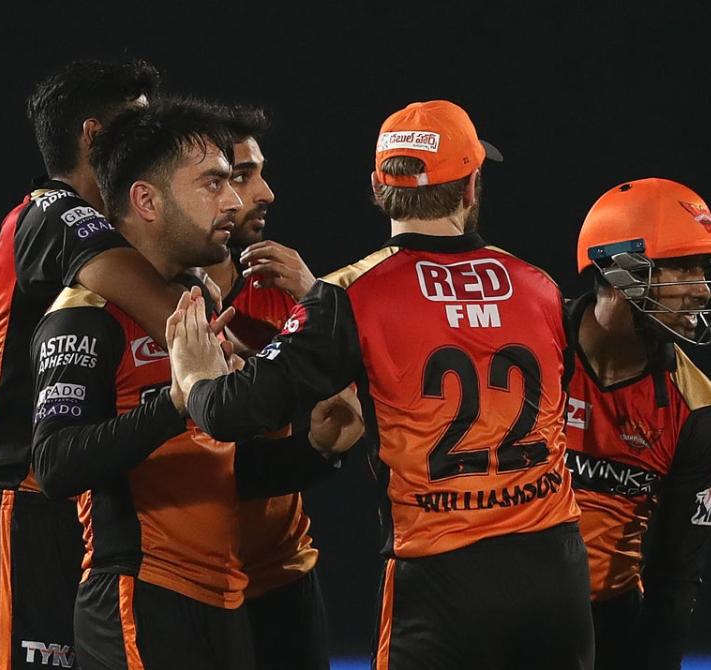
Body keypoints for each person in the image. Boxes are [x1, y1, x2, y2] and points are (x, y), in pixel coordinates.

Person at [169, 99, 595, 669]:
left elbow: (232, 412)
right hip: (555, 571)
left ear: (378, 187)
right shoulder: (538, 286)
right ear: (471, 187)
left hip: (443, 579)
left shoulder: (351, 295)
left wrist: (194, 370)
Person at [31, 97, 362, 669]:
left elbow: (224, 470)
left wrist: (318, 452)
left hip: (225, 602)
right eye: (213, 183)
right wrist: (177, 402)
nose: (234, 201)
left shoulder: (199, 302)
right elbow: (55, 463)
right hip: (141, 600)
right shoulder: (86, 313)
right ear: (146, 200)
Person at [0, 58, 203, 670]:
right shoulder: (53, 212)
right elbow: (169, 314)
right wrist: (267, 362)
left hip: (93, 506)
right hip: (27, 505)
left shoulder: (98, 225)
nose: (149, 134)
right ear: (91, 134)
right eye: (136, 120)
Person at [564, 177, 711, 669]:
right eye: (684, 266)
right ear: (623, 270)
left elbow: (674, 577)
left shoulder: (701, 412)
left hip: (609, 631)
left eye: (704, 269)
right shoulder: (529, 353)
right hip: (497, 613)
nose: (704, 289)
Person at [203, 106, 333, 670]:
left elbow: (344, 414)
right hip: (188, 587)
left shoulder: (283, 290)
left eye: (259, 172)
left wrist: (316, 299)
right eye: (240, 174)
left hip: (282, 574)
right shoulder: (138, 300)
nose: (265, 193)